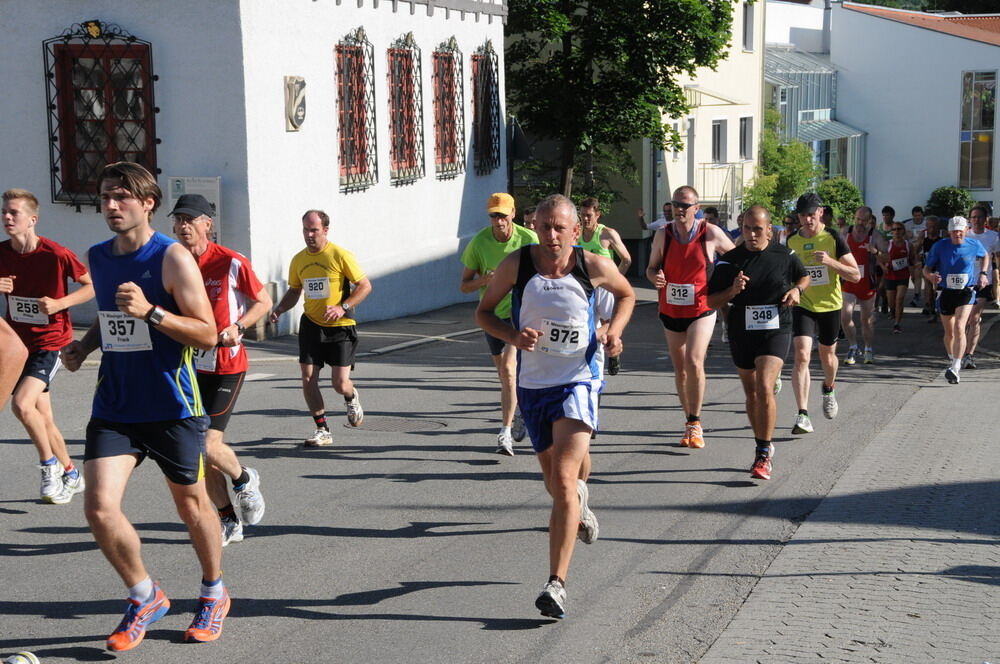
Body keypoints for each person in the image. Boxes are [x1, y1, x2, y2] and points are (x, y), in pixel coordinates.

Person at [60, 161, 229, 649]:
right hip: (115, 405)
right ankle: (144, 595)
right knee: (98, 507)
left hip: (172, 405)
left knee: (192, 505)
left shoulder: (172, 258)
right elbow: (114, 317)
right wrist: (84, 346)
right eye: (105, 197)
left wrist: (154, 312)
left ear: (147, 202)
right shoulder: (99, 255)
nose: (110, 206)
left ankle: (213, 591)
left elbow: (206, 333)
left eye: (121, 197)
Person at [475, 194, 634, 619]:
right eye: (545, 227)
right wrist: (513, 337)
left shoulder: (593, 265)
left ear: (575, 231)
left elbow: (628, 296)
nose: (551, 235)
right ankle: (579, 501)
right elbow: (484, 313)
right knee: (555, 483)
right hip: (532, 386)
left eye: (560, 228)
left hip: (578, 381)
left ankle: (555, 584)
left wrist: (612, 331)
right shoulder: (517, 264)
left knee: (562, 481)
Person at [171, 194, 271, 546]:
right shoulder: (174, 262)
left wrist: (239, 328)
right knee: (201, 452)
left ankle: (244, 479)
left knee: (206, 443)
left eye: (189, 219)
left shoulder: (231, 262)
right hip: (189, 365)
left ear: (206, 224)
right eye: (178, 219)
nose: (183, 226)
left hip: (226, 365)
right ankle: (229, 519)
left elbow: (263, 301)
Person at [1, 189, 94, 504]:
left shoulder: (54, 253)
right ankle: (71, 473)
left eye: (14, 213)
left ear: (32, 219)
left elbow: (90, 286)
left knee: (22, 405)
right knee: (43, 418)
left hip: (49, 343)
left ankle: (49, 466)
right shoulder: (1, 253)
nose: (7, 218)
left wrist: (60, 303)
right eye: (4, 212)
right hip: (17, 346)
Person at [708, 206, 809, 480]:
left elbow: (804, 275)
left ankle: (763, 454)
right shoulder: (730, 260)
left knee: (765, 386)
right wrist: (732, 291)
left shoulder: (784, 254)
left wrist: (797, 290)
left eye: (757, 229)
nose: (751, 234)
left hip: (776, 328)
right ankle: (762, 442)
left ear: (769, 229)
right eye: (747, 229)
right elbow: (710, 301)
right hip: (742, 330)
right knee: (752, 394)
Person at [270, 210, 371, 447]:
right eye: (305, 229)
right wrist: (280, 309)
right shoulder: (298, 259)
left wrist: (342, 306)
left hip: (340, 326)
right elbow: (295, 291)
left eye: (314, 230)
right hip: (312, 325)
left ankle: (350, 395)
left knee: (339, 383)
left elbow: (365, 286)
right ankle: (322, 429)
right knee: (307, 377)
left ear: (325, 230)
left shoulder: (339, 255)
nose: (309, 234)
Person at [646, 185, 735, 449]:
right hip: (672, 308)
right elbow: (651, 268)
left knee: (694, 360)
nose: (680, 210)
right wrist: (655, 277)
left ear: (697, 208)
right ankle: (688, 421)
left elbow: (736, 259)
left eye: (685, 205)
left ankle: (696, 423)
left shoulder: (711, 233)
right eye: (676, 204)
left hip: (702, 307)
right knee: (681, 369)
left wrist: (726, 286)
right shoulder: (664, 234)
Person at [459, 193, 538, 455]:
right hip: (492, 315)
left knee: (508, 367)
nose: (499, 220)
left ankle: (503, 433)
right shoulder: (479, 243)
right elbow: (464, 286)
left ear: (513, 214)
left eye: (503, 215)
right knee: (506, 377)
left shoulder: (528, 240)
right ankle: (519, 413)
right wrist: (487, 280)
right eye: (494, 215)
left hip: (521, 313)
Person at [787, 193, 860, 434]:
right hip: (803, 304)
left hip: (829, 305)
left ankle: (829, 388)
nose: (807, 219)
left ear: (820, 212)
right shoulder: (791, 242)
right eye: (802, 215)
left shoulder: (833, 237)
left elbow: (855, 275)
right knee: (802, 355)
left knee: (827, 356)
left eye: (811, 214)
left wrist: (830, 262)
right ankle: (803, 414)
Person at [923, 216, 989, 384]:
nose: (957, 234)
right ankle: (953, 359)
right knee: (950, 332)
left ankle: (956, 367)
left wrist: (982, 273)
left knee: (960, 326)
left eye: (960, 230)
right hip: (946, 291)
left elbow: (985, 256)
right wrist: (931, 276)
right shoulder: (940, 246)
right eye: (954, 231)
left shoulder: (974, 245)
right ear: (949, 232)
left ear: (966, 230)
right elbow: (926, 269)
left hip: (966, 291)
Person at [578, 197, 632, 375]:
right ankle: (593, 350)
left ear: (597, 215)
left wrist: (615, 280)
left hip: (606, 285)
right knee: (591, 321)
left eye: (589, 215)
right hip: (587, 285)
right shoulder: (577, 234)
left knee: (609, 322)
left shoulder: (606, 234)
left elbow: (626, 259)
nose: (585, 219)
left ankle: (613, 351)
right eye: (582, 215)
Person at [841, 208, 881, 365]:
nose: (860, 223)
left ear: (870, 220)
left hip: (867, 283)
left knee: (866, 320)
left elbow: (887, 257)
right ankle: (853, 346)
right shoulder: (845, 232)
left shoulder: (875, 235)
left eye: (864, 220)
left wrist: (875, 251)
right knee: (845, 316)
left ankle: (868, 349)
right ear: (854, 217)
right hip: (849, 281)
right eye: (858, 219)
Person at [962, 205, 998, 369]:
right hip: (963, 282)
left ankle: (969, 355)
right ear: (969, 219)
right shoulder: (963, 234)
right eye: (973, 217)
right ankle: (959, 351)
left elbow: (997, 257)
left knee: (974, 318)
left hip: (982, 282)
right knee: (962, 320)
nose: (976, 220)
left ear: (985, 220)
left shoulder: (993, 236)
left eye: (979, 217)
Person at [881, 222, 917, 334]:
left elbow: (912, 259)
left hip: (903, 276)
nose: (897, 231)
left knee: (899, 300)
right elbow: (879, 258)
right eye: (894, 229)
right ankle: (892, 312)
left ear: (903, 231)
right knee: (892, 303)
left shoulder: (908, 245)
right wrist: (883, 267)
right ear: (891, 232)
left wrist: (916, 266)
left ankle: (897, 324)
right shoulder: (888, 244)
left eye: (899, 229)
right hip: (890, 276)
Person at [918, 215, 944, 321]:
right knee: (929, 290)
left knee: (938, 290)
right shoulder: (923, 235)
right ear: (926, 226)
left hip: (941, 267)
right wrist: (916, 259)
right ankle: (932, 311)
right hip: (928, 266)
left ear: (938, 226)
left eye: (934, 227)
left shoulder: (943, 234)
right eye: (930, 227)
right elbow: (917, 248)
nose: (932, 229)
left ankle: (940, 310)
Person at [0, 319, 28, 411]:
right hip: (26, 338)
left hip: (48, 344)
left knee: (22, 405)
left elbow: (14, 349)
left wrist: (63, 304)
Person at [905, 206, 926, 306]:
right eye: (915, 216)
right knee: (913, 276)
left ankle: (917, 295)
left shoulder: (926, 223)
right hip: (911, 252)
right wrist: (906, 235)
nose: (917, 217)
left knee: (918, 273)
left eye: (919, 215)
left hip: (923, 251)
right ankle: (918, 291)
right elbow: (903, 238)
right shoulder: (908, 225)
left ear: (922, 215)